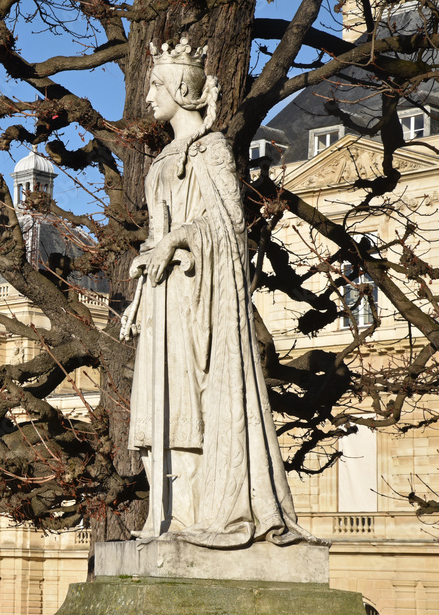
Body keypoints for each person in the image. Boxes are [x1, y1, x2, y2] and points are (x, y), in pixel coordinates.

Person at [121, 38, 317, 548]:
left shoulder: (211, 150)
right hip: (162, 298)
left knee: (190, 402)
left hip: (197, 294)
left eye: (154, 88)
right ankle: (167, 512)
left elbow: (230, 227)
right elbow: (157, 232)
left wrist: (179, 239)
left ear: (181, 91)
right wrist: (144, 276)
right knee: (156, 403)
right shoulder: (161, 159)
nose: (147, 99)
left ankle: (200, 509)